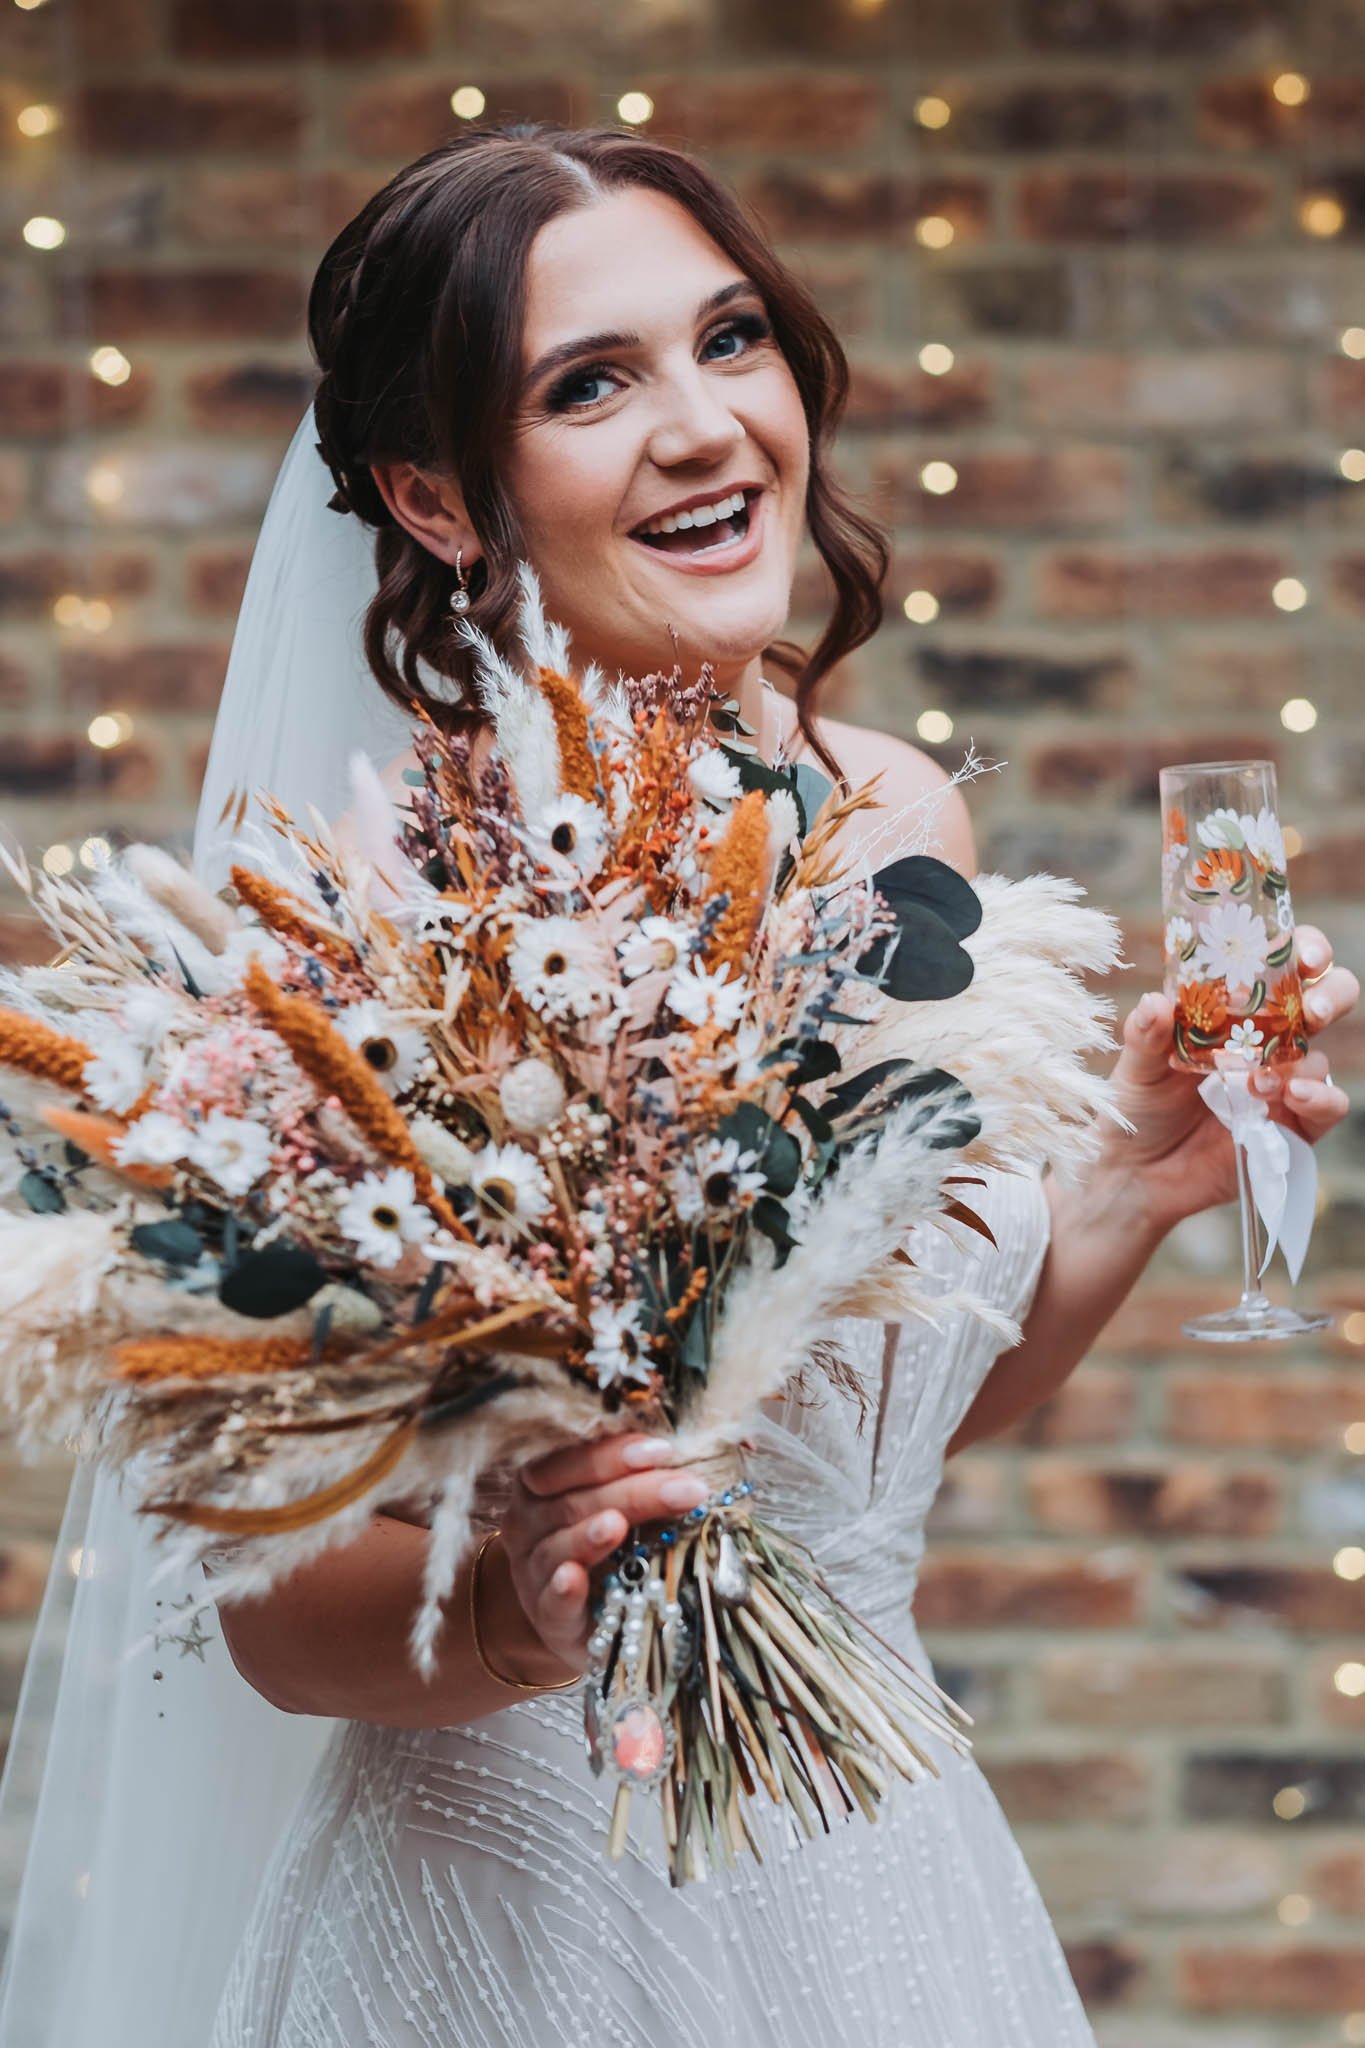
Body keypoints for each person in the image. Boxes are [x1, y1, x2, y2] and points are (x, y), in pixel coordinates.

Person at [1, 122, 1356, 2048]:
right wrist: (515, 1614)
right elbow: (274, 1619)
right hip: (525, 1905)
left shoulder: (895, 820)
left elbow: (863, 1445)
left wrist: (1131, 1183)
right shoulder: (360, 939)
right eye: (588, 384)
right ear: (438, 496)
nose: (708, 424)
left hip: (874, 1857)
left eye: (731, 341)